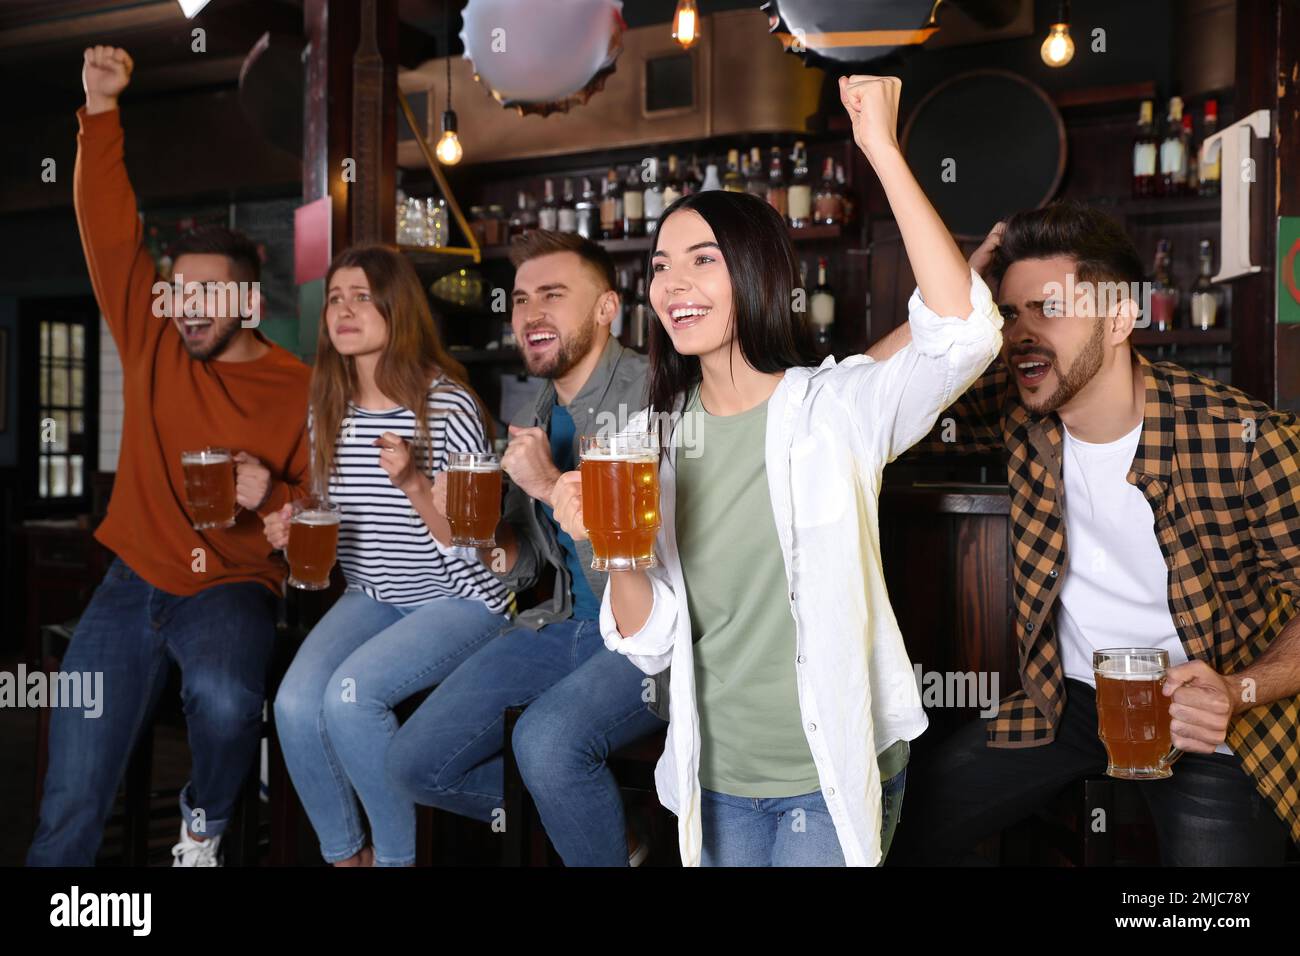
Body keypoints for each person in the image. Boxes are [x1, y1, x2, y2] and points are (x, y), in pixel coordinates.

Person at [551, 75, 1003, 866]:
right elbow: (651, 640)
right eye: (660, 267)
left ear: (757, 272)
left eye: (702, 260)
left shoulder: (833, 412)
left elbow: (963, 333)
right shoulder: (648, 440)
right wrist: (613, 549)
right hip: (711, 779)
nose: (672, 284)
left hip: (827, 775)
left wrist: (882, 151)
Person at [881, 202, 1300, 865]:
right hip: (1067, 702)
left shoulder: (1243, 439)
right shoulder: (1018, 411)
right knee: (887, 829)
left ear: (1120, 318)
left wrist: (1240, 689)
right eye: (1009, 313)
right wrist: (950, 295)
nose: (1021, 333)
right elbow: (869, 398)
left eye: (1048, 308)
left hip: (1210, 720)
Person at [28, 46, 312, 867]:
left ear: (248, 302)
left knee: (227, 702)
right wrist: (100, 107)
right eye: (177, 292)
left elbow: (314, 516)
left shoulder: (298, 390)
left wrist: (269, 495)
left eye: (205, 295)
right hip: (130, 581)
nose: (184, 308)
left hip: (229, 587)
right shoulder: (152, 341)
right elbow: (109, 227)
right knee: (72, 788)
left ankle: (203, 821)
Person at [386, 230, 666, 866]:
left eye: (553, 295)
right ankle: (610, 832)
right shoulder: (536, 410)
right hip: (563, 627)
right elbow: (528, 565)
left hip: (650, 633)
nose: (530, 313)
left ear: (605, 310)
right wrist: (488, 540)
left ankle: (588, 819)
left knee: (546, 745)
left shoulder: (655, 395)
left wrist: (547, 484)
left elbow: (656, 562)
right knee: (412, 762)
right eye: (519, 299)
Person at [265, 244, 511, 868]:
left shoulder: (446, 404)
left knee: (348, 698)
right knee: (294, 704)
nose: (343, 310)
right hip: (374, 595)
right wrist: (291, 523)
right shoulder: (329, 409)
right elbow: (337, 519)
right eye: (335, 300)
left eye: (362, 298)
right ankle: (348, 857)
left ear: (397, 309)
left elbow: (474, 543)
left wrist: (414, 484)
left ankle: (400, 861)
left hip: (462, 597)